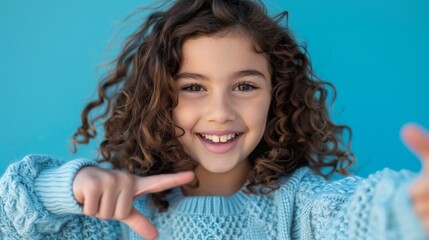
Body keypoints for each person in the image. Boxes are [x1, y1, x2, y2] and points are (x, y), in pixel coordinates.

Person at [1, 0, 429, 239]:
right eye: (192, 87)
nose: (220, 112)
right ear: (158, 100)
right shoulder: (116, 216)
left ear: (275, 97)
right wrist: (67, 187)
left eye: (244, 86)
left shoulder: (302, 208)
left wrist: (408, 205)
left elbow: (357, 217)